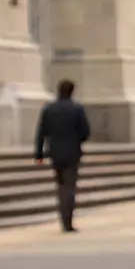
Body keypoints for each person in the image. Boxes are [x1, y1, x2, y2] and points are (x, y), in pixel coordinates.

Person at [33, 78, 91, 233]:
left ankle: (62, 217)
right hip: (72, 153)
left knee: (60, 186)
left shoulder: (48, 109)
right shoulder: (77, 109)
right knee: (69, 187)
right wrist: (76, 140)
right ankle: (68, 221)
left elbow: (41, 133)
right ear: (72, 92)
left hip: (55, 153)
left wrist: (39, 155)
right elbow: (85, 132)